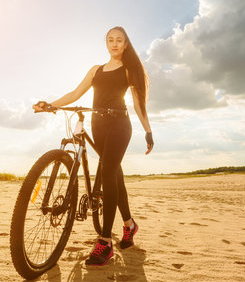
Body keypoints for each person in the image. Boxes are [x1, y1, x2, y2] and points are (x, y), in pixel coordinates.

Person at [33, 26, 154, 266]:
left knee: (108, 171)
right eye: (110, 40)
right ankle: (129, 225)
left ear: (126, 44)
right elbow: (76, 93)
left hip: (120, 125)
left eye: (119, 40)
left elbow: (138, 104)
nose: (115, 44)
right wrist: (51, 105)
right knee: (114, 173)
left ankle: (105, 241)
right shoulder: (96, 70)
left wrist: (148, 131)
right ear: (106, 43)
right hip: (98, 124)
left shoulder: (129, 70)